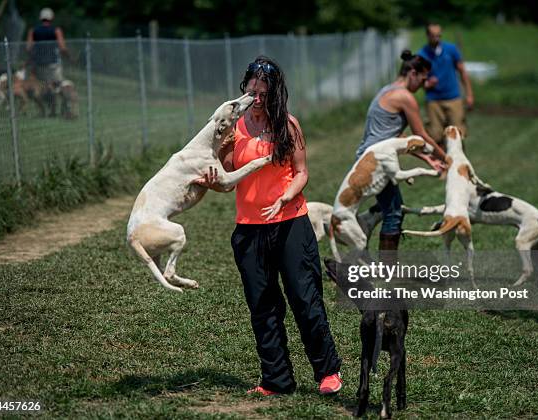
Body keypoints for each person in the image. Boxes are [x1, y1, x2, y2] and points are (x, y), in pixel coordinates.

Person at [195, 56, 343, 396]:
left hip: (290, 222)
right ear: (244, 90)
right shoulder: (235, 130)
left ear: (275, 93)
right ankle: (277, 379)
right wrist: (213, 171)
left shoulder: (288, 126)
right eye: (252, 91)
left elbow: (302, 171)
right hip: (249, 228)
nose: (257, 99)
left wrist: (285, 196)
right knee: (262, 305)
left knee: (305, 299)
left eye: (264, 93)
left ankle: (327, 372)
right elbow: (228, 180)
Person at [354, 49, 448, 258]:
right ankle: (387, 271)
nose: (423, 85)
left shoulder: (388, 90)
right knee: (394, 213)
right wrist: (448, 158)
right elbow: (420, 135)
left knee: (391, 206)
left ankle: (361, 224)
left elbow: (398, 137)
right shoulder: (405, 97)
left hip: (370, 157)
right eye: (423, 79)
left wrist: (427, 158)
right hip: (375, 160)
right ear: (412, 73)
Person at [418, 23, 474, 143]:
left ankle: (458, 161)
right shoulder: (422, 54)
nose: (437, 39)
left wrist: (469, 94)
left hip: (453, 97)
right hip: (433, 100)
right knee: (435, 136)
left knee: (457, 135)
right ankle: (441, 161)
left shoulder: (451, 49)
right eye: (433, 36)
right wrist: (426, 83)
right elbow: (419, 79)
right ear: (427, 35)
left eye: (439, 36)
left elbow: (462, 72)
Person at [26, 7, 68, 117]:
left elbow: (28, 48)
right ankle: (61, 109)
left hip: (39, 64)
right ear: (51, 18)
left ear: (41, 18)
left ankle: (44, 110)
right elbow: (62, 47)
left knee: (44, 88)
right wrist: (69, 56)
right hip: (53, 64)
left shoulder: (33, 31)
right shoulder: (56, 30)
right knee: (58, 87)